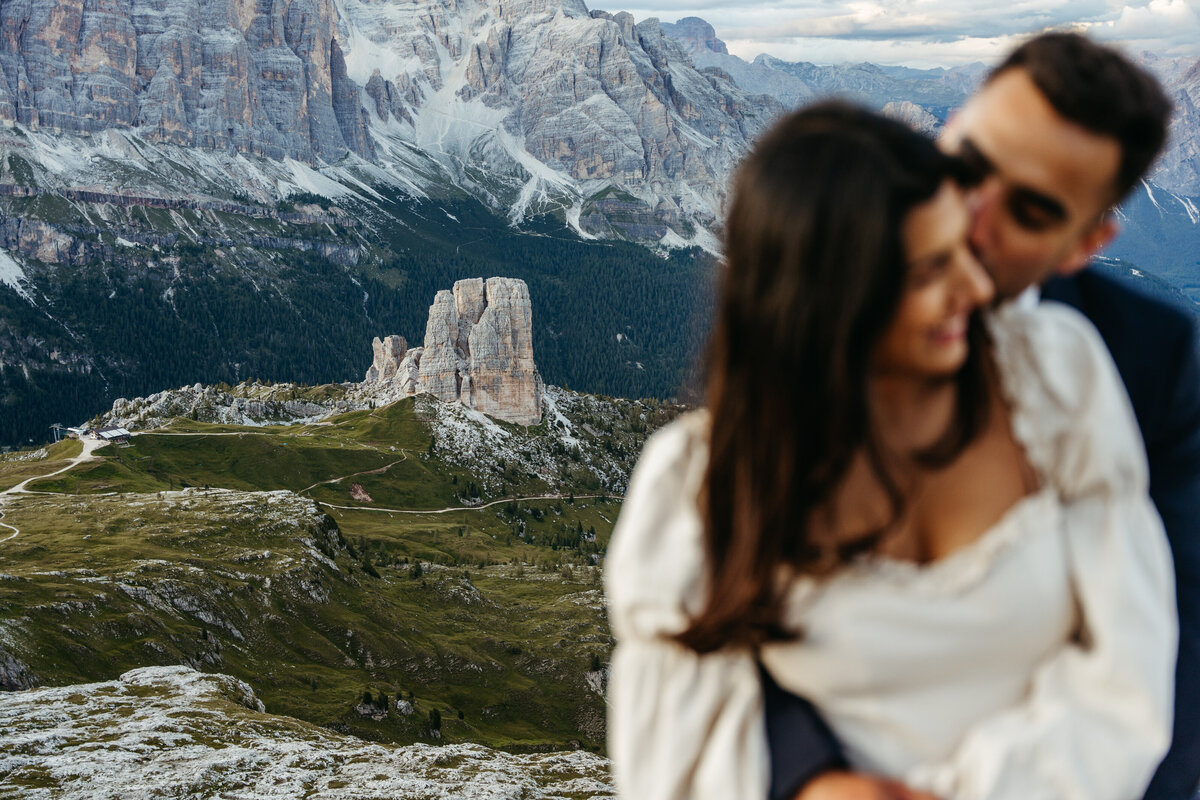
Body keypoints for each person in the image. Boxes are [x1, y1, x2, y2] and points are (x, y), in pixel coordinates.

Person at [606, 101, 1176, 800]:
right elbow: (678, 757)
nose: (974, 286)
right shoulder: (697, 483)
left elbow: (1130, 660)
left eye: (965, 247)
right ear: (828, 300)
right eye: (929, 271)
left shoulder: (1054, 378)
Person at [766, 33, 1200, 800]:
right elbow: (732, 595)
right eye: (967, 166)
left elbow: (1178, 639)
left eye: (1029, 210)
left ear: (1086, 243)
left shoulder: (1149, 362)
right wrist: (812, 776)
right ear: (945, 131)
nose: (970, 215)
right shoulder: (821, 300)